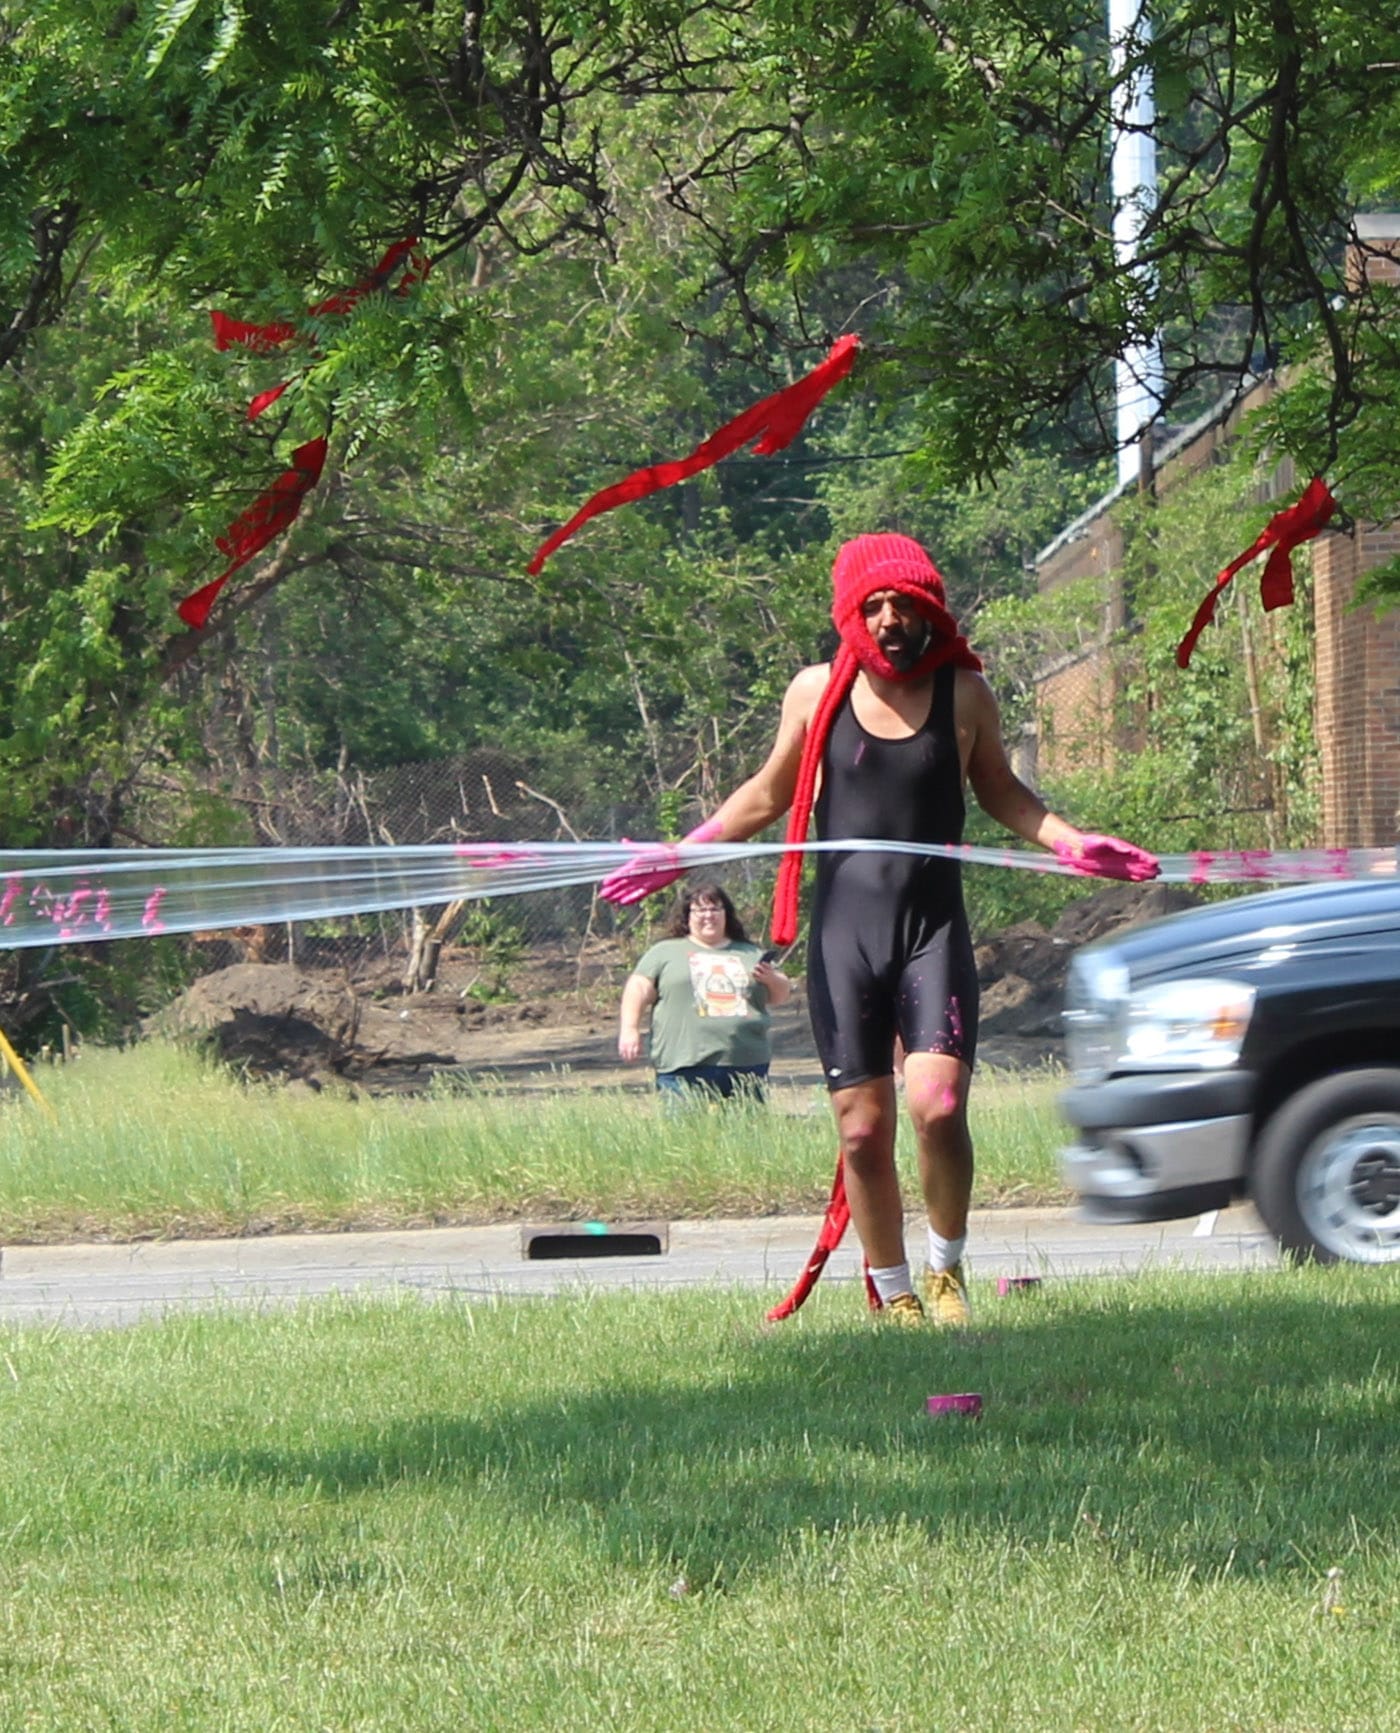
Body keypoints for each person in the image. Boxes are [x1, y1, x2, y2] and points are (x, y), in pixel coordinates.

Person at [602, 533, 1157, 1324]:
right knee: (862, 1131)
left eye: (904, 605)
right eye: (874, 606)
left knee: (938, 1104)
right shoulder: (816, 691)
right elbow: (765, 795)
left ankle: (945, 1271)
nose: (890, 620)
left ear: (930, 610)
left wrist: (1073, 842)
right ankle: (895, 1292)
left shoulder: (964, 692)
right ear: (850, 612)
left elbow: (1003, 791)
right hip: (845, 941)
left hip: (932, 931)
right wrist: (676, 855)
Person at [617, 880, 792, 1103]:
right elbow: (638, 988)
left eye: (715, 909)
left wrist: (771, 978)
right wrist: (630, 1029)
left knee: (746, 1125)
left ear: (726, 914)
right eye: (700, 910)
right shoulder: (665, 952)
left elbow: (781, 995)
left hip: (746, 1063)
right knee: (686, 1125)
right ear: (687, 916)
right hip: (683, 1064)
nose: (708, 915)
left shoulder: (750, 953)